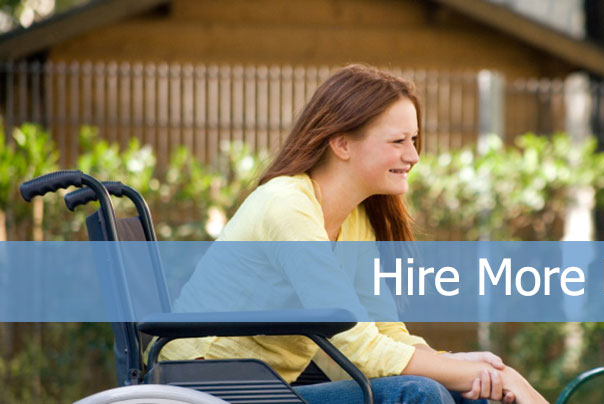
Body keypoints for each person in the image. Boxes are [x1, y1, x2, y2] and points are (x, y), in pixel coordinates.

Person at [155, 64, 547, 404]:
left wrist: (459, 365)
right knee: (418, 395)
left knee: (456, 392)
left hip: (267, 384)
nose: (413, 156)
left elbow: (382, 331)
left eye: (413, 140)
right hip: (209, 386)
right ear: (342, 143)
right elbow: (358, 348)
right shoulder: (287, 205)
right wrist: (498, 378)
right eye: (398, 141)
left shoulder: (355, 218)